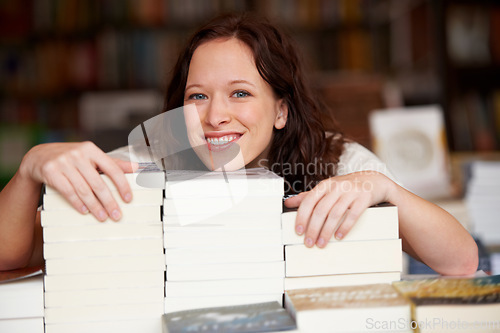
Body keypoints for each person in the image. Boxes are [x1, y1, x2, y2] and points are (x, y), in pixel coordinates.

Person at [0, 13, 478, 275]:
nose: (215, 116)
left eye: (241, 93)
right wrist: (27, 171)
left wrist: (385, 189)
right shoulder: (143, 165)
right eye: (198, 96)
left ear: (281, 110)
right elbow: (11, 257)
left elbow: (460, 262)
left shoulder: (339, 162)